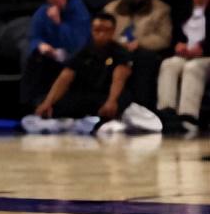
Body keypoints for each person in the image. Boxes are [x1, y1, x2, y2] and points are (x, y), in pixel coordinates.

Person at [24, 13, 162, 135]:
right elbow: (65, 76)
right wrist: (48, 102)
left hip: (110, 95)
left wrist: (111, 101)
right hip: (88, 94)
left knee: (120, 103)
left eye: (105, 30)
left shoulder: (120, 52)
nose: (101, 34)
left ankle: (109, 123)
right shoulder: (84, 51)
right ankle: (72, 123)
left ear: (112, 31)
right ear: (92, 30)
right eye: (97, 30)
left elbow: (119, 77)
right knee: (48, 104)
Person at [104, 0, 172, 110]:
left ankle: (141, 108)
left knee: (143, 58)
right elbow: (104, 32)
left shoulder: (161, 9)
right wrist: (118, 43)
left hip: (144, 53)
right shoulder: (111, 8)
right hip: (116, 51)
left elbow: (164, 38)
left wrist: (140, 43)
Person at [20, 0, 91, 107]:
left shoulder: (79, 10)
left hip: (75, 58)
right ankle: (29, 104)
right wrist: (41, 45)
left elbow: (77, 43)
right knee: (32, 57)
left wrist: (58, 23)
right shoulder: (43, 11)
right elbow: (34, 36)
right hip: (51, 58)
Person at [156, 0, 208, 135]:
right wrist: (179, 46)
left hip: (206, 57)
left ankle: (188, 116)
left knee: (192, 67)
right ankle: (166, 112)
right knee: (169, 64)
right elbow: (175, 37)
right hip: (186, 55)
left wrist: (203, 48)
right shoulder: (183, 10)